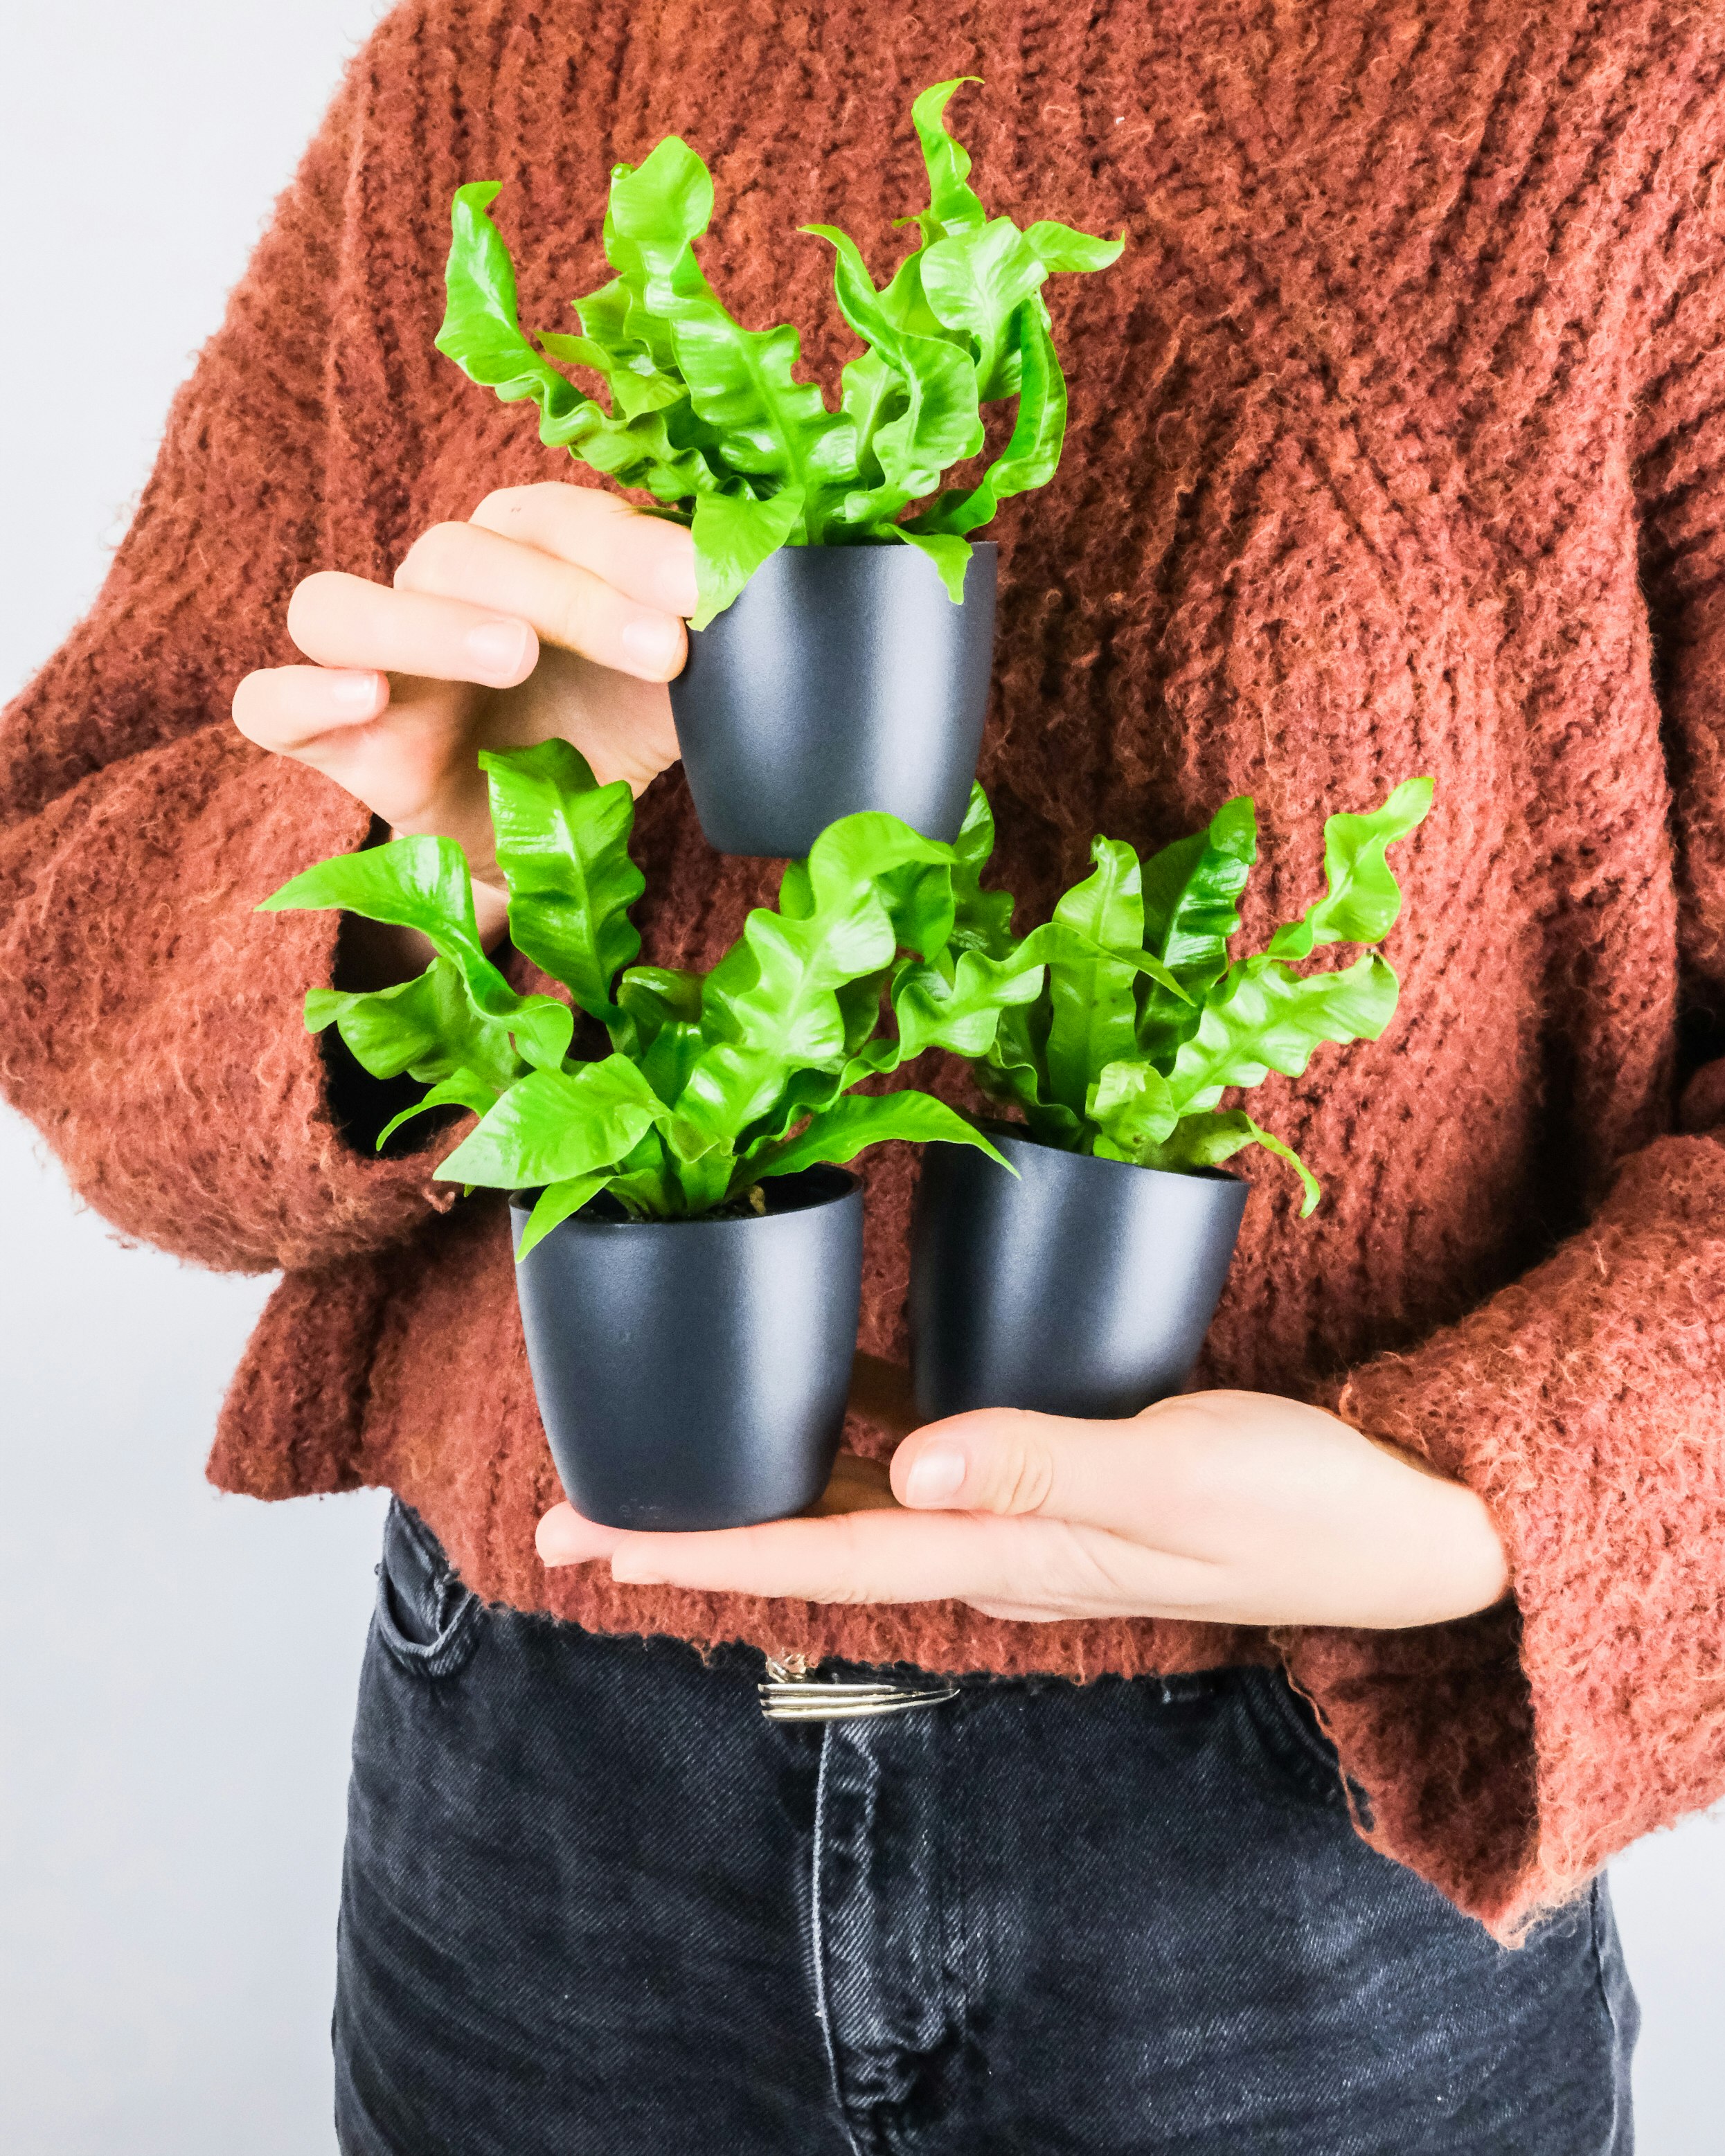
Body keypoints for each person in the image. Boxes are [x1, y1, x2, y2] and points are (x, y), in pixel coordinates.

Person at [4, 1, 1721, 2148]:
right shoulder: (504, 56)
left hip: (1304, 1828)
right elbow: (65, 946)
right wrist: (427, 861)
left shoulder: (1627, 87)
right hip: (544, 1811)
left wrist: (1496, 1510)